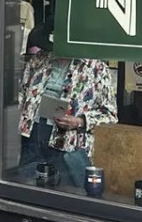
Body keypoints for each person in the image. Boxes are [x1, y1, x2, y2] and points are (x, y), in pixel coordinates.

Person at [16, 22, 117, 188]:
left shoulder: (96, 68)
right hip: (34, 134)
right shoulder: (39, 59)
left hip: (68, 142)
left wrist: (79, 121)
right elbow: (22, 93)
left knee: (65, 191)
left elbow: (110, 115)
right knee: (26, 187)